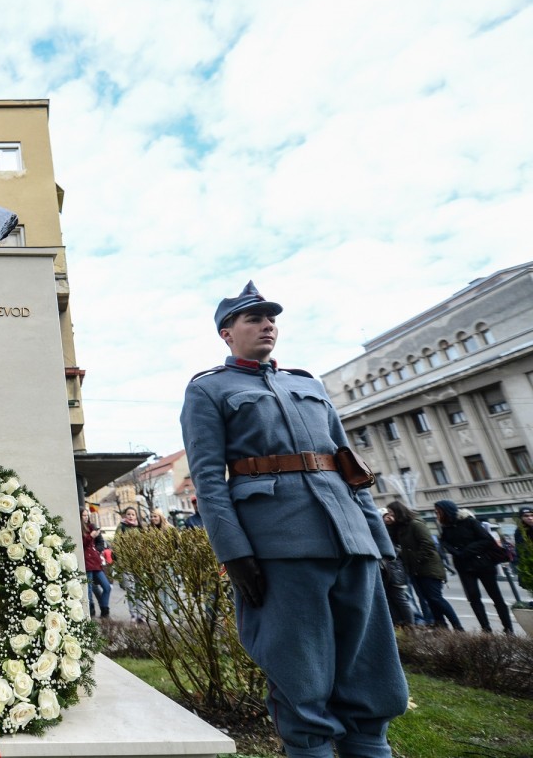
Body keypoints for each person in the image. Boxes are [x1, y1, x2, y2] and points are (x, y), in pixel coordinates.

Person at [180, 280, 407, 758]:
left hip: (350, 540)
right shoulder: (210, 390)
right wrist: (234, 551)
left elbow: (349, 465)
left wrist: (377, 541)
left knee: (371, 669)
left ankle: (370, 746)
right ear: (226, 333)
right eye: (254, 318)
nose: (267, 326)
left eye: (272, 319)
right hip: (279, 545)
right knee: (299, 673)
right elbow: (208, 479)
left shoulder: (307, 384)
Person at [434, 499, 513, 633]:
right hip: (464, 567)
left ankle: (508, 628)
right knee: (473, 597)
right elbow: (445, 543)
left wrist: (466, 551)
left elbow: (487, 539)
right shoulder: (445, 527)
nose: (436, 514)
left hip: (483, 563)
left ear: (446, 511)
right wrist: (455, 551)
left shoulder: (470, 521)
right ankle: (486, 629)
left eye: (438, 511)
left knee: (496, 596)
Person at [384, 501, 463, 630]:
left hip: (428, 568)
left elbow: (428, 544)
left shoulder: (416, 524)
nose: (390, 515)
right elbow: (393, 540)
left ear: (399, 512)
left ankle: (458, 626)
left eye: (392, 512)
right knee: (429, 599)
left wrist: (417, 560)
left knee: (435, 598)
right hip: (415, 570)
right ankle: (441, 627)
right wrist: (389, 524)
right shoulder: (401, 528)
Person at [81, 509, 111, 619]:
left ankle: (104, 609)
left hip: (95, 562)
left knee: (107, 587)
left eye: (87, 515)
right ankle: (91, 610)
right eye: (83, 515)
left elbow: (100, 542)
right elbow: (82, 543)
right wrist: (91, 536)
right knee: (88, 590)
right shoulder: (80, 528)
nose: (86, 517)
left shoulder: (92, 526)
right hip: (86, 563)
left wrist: (97, 550)